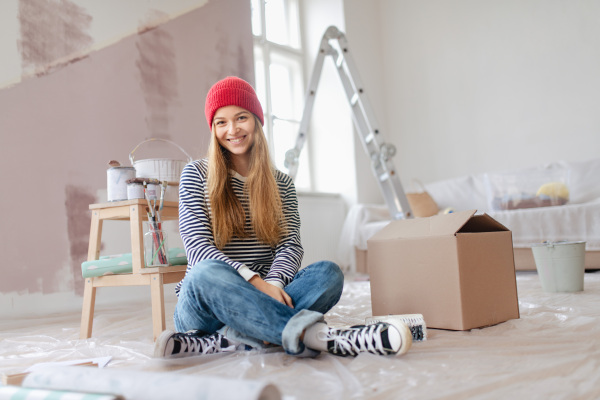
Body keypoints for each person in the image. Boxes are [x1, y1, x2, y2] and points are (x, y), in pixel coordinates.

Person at [154, 76, 411, 358]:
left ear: (256, 121)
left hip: (268, 292)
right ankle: (321, 337)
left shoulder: (282, 183)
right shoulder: (196, 174)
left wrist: (274, 284)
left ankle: (236, 338)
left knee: (328, 273)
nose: (233, 129)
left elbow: (290, 245)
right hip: (207, 305)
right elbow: (198, 249)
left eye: (241, 117)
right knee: (205, 273)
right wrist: (256, 284)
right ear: (213, 129)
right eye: (221, 122)